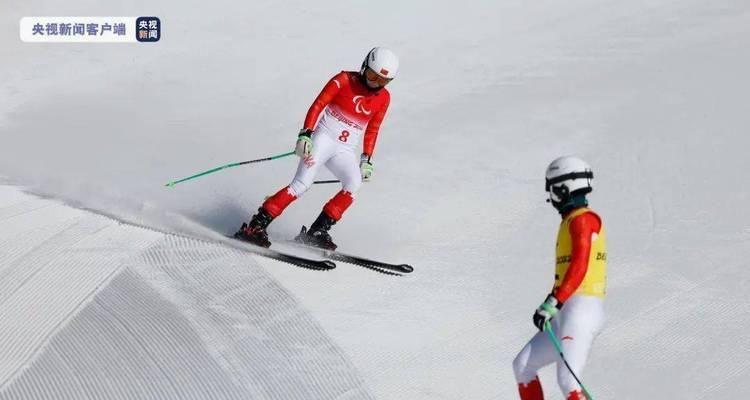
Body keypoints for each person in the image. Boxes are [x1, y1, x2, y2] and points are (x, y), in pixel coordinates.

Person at [235, 47, 398, 250]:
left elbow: (373, 129)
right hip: (323, 140)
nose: (375, 83)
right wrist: (306, 134)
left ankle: (318, 231)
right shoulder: (344, 80)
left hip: (344, 150)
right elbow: (319, 104)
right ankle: (255, 226)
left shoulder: (384, 98)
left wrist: (367, 159)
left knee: (353, 183)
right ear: (364, 66)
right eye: (372, 76)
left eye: (382, 81)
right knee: (301, 185)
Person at [512, 156, 607, 400]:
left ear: (566, 188)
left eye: (553, 191)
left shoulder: (584, 220)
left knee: (568, 381)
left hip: (581, 308)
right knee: (523, 366)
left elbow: (580, 265)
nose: (551, 198)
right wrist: (552, 302)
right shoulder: (570, 221)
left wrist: (554, 301)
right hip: (565, 309)